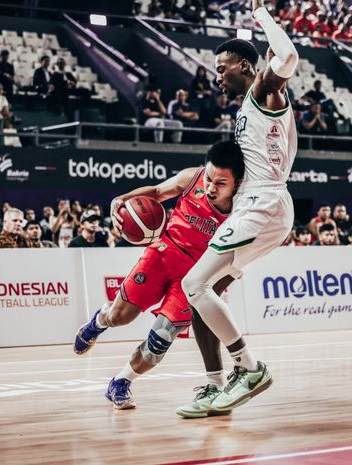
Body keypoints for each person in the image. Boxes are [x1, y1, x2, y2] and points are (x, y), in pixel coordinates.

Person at [178, 1, 300, 414]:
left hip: (263, 204)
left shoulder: (264, 90)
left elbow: (287, 56)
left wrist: (260, 14)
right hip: (256, 204)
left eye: (222, 67)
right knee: (202, 295)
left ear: (246, 67)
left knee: (193, 285)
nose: (217, 76)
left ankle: (249, 368)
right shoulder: (250, 103)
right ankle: (216, 385)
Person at [73, 141, 244, 413]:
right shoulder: (192, 178)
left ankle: (120, 382)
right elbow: (156, 192)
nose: (211, 187)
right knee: (121, 317)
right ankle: (99, 321)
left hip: (194, 278)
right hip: (162, 254)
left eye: (220, 183)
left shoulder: (243, 211)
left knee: (159, 342)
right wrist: (122, 200)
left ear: (238, 182)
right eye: (210, 178)